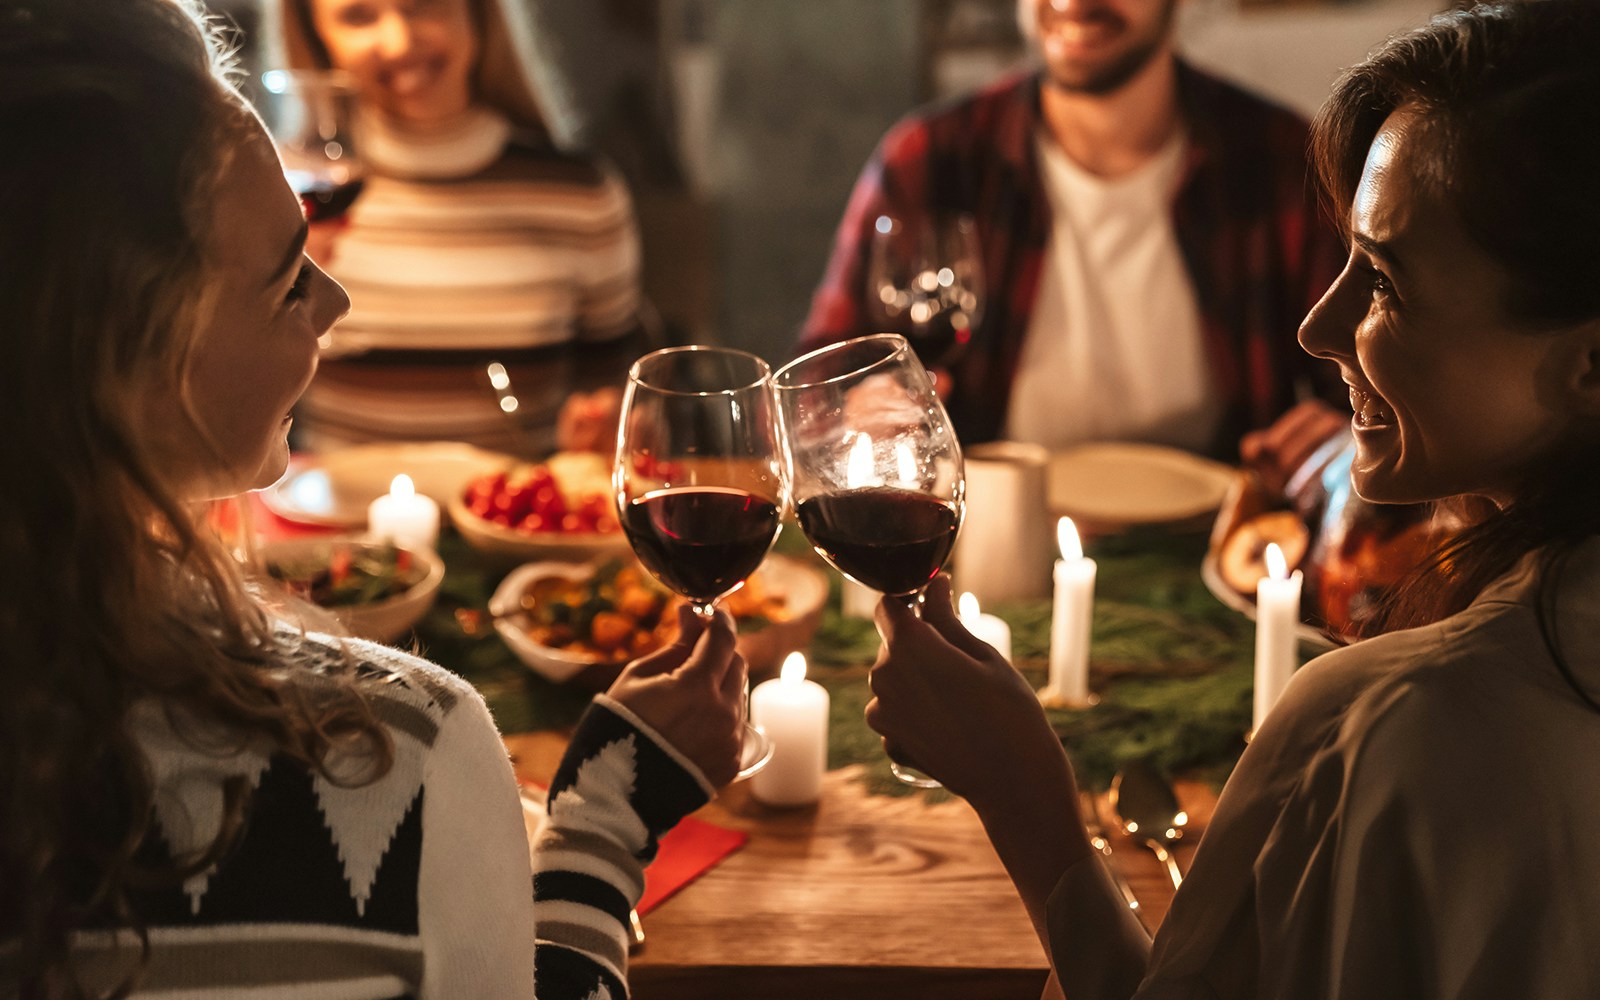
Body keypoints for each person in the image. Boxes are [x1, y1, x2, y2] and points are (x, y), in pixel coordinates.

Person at [0, 1, 745, 997]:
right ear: (130, 357)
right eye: (281, 283)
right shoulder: (394, 758)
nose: (334, 304)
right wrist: (604, 822)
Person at [864, 1, 1600, 995]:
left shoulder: (1390, 725)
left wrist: (1024, 797)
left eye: (1380, 281)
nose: (1316, 325)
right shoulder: (936, 153)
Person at [799, 0, 1346, 463]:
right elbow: (816, 388)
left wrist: (1341, 442)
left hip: (1219, 552)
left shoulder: (1283, 161)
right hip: (988, 547)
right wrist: (857, 406)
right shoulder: (932, 158)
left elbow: (1372, 393)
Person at [266, 0, 648, 457]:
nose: (400, 42)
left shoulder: (580, 194)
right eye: (358, 16)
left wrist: (603, 427)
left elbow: (615, 394)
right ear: (316, 35)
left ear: (479, 14)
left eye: (424, 5)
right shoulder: (286, 197)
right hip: (330, 520)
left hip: (516, 515)